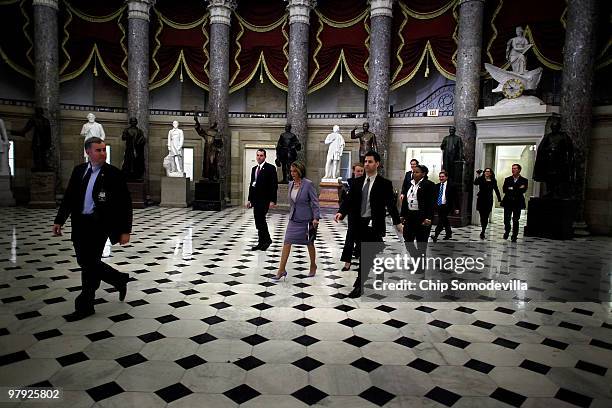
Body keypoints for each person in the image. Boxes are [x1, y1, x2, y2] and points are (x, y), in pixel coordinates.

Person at [52, 137, 132, 321]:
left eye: (104, 150)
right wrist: (59, 220)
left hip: (99, 225)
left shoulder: (113, 174)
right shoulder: (79, 170)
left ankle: (85, 305)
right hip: (80, 224)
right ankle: (119, 279)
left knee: (89, 265)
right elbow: (69, 198)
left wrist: (125, 230)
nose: (103, 153)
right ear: (88, 152)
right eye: (98, 150)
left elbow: (125, 204)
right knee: (85, 262)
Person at [335, 151, 402, 298]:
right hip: (358, 223)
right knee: (360, 252)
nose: (366, 164)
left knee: (366, 254)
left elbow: (391, 205)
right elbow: (349, 200)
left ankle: (359, 284)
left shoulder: (384, 184)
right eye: (365, 161)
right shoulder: (358, 182)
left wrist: (397, 223)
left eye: (370, 161)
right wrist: (341, 212)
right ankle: (364, 275)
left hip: (373, 224)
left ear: (377, 164)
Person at [274, 161, 320, 281]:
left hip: (307, 220)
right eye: (291, 171)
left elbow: (315, 202)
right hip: (293, 219)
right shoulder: (290, 184)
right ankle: (281, 269)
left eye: (295, 171)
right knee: (287, 242)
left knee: (310, 244)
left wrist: (316, 218)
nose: (292, 173)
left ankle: (313, 265)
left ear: (300, 171)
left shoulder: (308, 184)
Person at [401, 165, 436, 263]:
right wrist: (402, 215)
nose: (414, 174)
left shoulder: (429, 184)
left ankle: (420, 265)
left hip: (422, 217)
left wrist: (428, 217)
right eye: (413, 172)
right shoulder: (410, 184)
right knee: (407, 239)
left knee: (421, 243)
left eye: (417, 172)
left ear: (423, 174)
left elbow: (431, 202)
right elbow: (405, 201)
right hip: (410, 215)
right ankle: (416, 257)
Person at [533, 118, 574, 198]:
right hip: (549, 161)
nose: (554, 128)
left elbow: (569, 148)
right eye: (553, 127)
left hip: (560, 160)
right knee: (549, 177)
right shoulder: (548, 136)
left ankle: (557, 192)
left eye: (556, 127)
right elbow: (541, 149)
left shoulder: (563, 136)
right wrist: (549, 149)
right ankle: (550, 191)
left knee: (559, 176)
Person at [247, 149, 278, 251]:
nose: (259, 157)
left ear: (265, 157)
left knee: (261, 220)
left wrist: (273, 200)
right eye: (257, 155)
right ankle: (261, 242)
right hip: (256, 199)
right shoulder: (254, 169)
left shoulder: (270, 168)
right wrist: (249, 199)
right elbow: (252, 185)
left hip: (265, 199)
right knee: (258, 221)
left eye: (261, 155)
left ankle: (267, 240)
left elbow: (274, 185)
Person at [340, 162, 364, 271]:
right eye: (357, 171)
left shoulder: (366, 183)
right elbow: (347, 200)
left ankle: (360, 258)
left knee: (361, 238)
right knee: (350, 237)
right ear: (353, 171)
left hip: (364, 214)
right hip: (353, 214)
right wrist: (341, 213)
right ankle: (347, 262)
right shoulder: (350, 183)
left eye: (361, 171)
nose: (359, 173)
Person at [11, 107, 52, 171]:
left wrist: (49, 142)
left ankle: (44, 165)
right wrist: (17, 132)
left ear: (41, 112)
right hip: (37, 140)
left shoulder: (46, 120)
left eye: (39, 112)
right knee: (37, 154)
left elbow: (49, 132)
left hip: (44, 140)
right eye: (37, 111)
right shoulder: (33, 119)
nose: (38, 113)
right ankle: (38, 166)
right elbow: (26, 128)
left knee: (44, 154)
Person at [501, 163, 528, 242]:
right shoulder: (507, 179)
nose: (513, 170)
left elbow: (523, 190)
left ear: (519, 170)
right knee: (506, 219)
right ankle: (507, 230)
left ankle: (514, 236)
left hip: (517, 202)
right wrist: (517, 188)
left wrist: (512, 188)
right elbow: (505, 190)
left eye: (515, 168)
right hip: (508, 202)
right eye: (512, 168)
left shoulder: (524, 180)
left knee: (516, 220)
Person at [474, 167, 502, 239]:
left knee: (486, 216)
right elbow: (475, 183)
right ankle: (483, 228)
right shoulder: (481, 179)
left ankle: (483, 231)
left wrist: (499, 198)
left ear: (491, 173)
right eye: (486, 171)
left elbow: (496, 189)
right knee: (482, 216)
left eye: (488, 171)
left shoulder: (493, 180)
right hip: (481, 199)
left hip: (488, 200)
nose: (487, 172)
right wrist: (477, 175)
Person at [432, 170, 459, 242]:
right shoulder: (437, 186)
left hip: (447, 206)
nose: (441, 178)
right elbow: (434, 197)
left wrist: (457, 207)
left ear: (446, 177)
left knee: (441, 220)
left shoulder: (452, 186)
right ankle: (449, 233)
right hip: (439, 206)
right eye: (440, 177)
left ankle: (436, 235)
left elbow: (456, 197)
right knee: (444, 220)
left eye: (443, 177)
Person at [194, 117, 223, 181]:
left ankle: (213, 176)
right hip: (208, 150)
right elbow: (200, 130)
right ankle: (209, 176)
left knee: (212, 163)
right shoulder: (207, 133)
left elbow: (220, 144)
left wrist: (217, 148)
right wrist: (197, 122)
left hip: (213, 151)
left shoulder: (215, 134)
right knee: (208, 164)